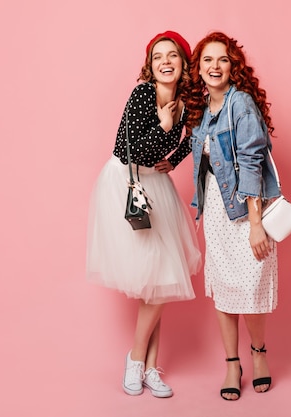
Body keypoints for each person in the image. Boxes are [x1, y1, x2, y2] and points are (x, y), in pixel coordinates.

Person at [86, 31, 201, 398]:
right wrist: (165, 127)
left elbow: (198, 138)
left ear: (184, 63)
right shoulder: (143, 94)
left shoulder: (186, 101)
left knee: (161, 280)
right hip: (128, 183)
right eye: (157, 57)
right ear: (150, 66)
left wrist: (177, 158)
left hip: (157, 183)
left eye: (172, 55)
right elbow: (129, 149)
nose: (165, 61)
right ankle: (138, 361)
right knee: (156, 275)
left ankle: (149, 366)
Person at [183, 31, 280, 400]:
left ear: (232, 65)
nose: (214, 66)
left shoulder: (240, 104)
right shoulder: (203, 110)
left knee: (250, 288)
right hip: (217, 215)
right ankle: (231, 364)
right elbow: (203, 165)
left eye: (222, 59)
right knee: (224, 289)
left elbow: (253, 161)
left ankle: (258, 356)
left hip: (245, 211)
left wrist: (256, 224)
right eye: (207, 60)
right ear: (199, 68)